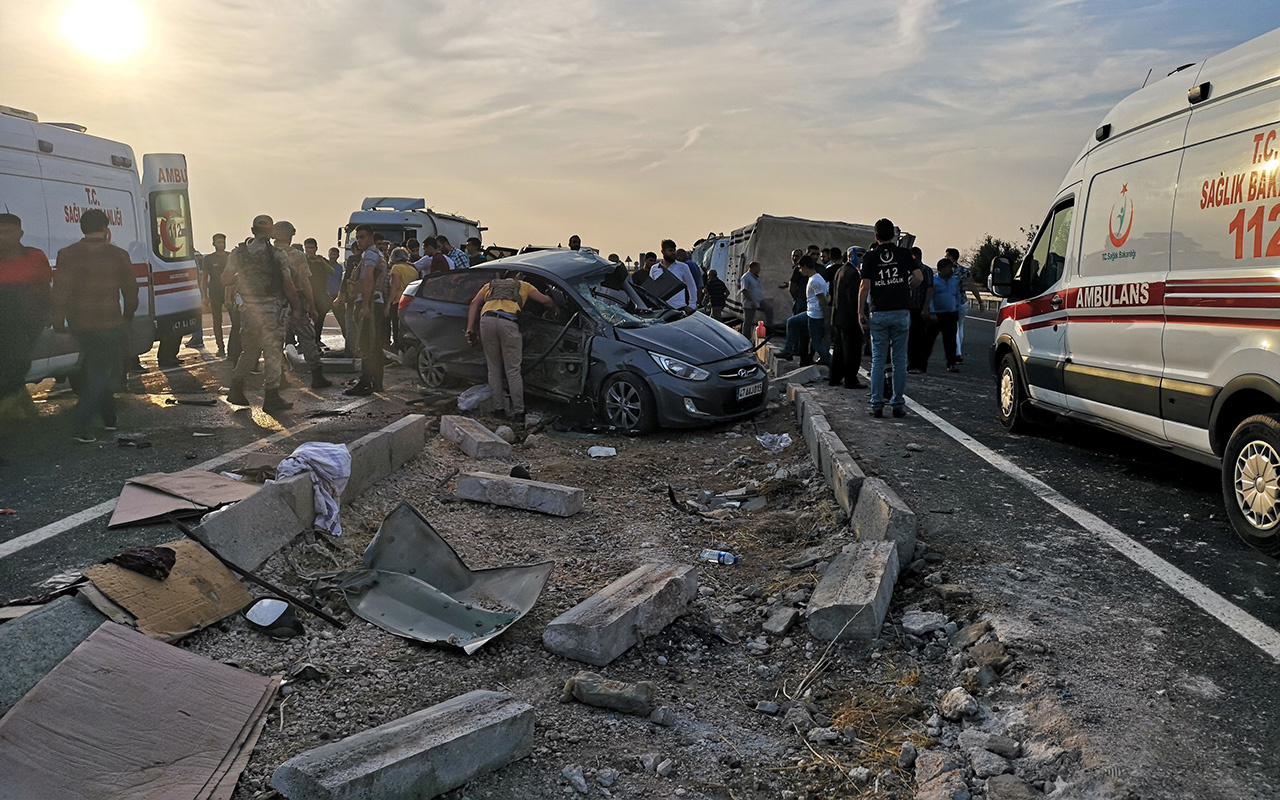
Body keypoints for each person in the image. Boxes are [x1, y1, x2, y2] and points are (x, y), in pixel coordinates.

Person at [51, 208, 139, 441]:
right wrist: (127, 317)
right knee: (102, 373)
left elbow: (60, 293)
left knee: (94, 369)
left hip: (79, 324)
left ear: (82, 228)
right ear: (106, 228)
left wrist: (59, 326)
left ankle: (110, 419)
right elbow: (131, 291)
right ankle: (81, 426)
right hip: (109, 323)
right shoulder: (118, 255)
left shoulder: (67, 254)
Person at [223, 214, 300, 413]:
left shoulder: (238, 254)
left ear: (252, 230)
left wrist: (245, 275)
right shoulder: (277, 254)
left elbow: (225, 279)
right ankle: (272, 397)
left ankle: (236, 387)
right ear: (271, 232)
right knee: (273, 352)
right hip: (271, 309)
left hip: (248, 310)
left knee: (249, 351)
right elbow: (288, 284)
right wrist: (297, 307)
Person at [465, 270, 556, 425]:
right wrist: (555, 306)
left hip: (487, 320)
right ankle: (519, 412)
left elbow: (474, 303)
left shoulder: (490, 285)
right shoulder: (524, 285)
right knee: (512, 370)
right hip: (509, 322)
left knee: (493, 368)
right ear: (518, 276)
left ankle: (499, 410)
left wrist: (470, 329)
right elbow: (544, 300)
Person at [859, 218, 923, 418]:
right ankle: (897, 403)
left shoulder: (870, 257)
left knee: (878, 359)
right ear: (894, 236)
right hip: (901, 311)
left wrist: (860, 312)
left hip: (878, 312)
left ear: (876, 236)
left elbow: (864, 286)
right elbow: (919, 277)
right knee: (899, 360)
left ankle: (877, 403)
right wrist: (907, 288)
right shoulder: (904, 254)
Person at [0, 213, 51, 418]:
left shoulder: (35, 257)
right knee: (10, 366)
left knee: (17, 365)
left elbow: (45, 288)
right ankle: (27, 410)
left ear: (20, 233)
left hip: (28, 323)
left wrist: (48, 316)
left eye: (7, 232)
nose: (2, 236)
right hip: (4, 324)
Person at [273, 222, 330, 388]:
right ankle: (317, 376)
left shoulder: (268, 253)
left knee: (275, 341)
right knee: (307, 338)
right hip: (295, 301)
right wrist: (312, 306)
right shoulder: (297, 255)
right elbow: (305, 282)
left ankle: (280, 377)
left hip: (273, 303)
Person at [344, 224, 389, 396]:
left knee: (366, 344)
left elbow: (369, 280)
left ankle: (366, 382)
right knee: (374, 345)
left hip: (369, 303)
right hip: (374, 302)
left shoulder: (370, 255)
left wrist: (364, 306)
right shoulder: (375, 254)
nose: (359, 240)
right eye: (358, 237)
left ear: (370, 237)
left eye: (362, 237)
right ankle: (376, 382)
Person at [778, 256, 830, 366]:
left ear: (806, 267)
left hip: (815, 315)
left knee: (816, 344)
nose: (800, 271)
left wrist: (826, 319)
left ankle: (833, 364)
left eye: (801, 268)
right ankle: (788, 351)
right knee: (792, 322)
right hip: (810, 312)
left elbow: (823, 300)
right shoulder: (813, 278)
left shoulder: (816, 280)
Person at [828, 248, 864, 389]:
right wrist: (860, 315)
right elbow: (854, 298)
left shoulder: (840, 271)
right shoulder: (853, 273)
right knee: (852, 350)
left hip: (839, 317)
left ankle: (835, 377)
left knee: (839, 350)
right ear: (851, 256)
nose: (861, 259)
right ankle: (851, 379)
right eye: (859, 255)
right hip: (850, 318)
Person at [926, 257, 962, 373]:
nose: (951, 270)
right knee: (929, 340)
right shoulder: (934, 281)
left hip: (951, 314)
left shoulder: (954, 281)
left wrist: (957, 309)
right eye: (948, 268)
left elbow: (957, 295)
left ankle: (951, 363)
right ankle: (922, 363)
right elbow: (930, 297)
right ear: (941, 269)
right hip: (936, 315)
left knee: (950, 341)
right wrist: (931, 311)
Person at [906, 246, 935, 374]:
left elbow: (929, 289)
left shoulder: (925, 270)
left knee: (920, 338)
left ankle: (920, 365)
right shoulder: (906, 270)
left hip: (919, 307)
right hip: (908, 308)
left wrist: (926, 308)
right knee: (909, 338)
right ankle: (912, 363)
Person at [200, 234, 230, 357]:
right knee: (217, 321)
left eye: (223, 242)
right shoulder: (209, 259)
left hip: (229, 291)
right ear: (214, 244)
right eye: (219, 242)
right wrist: (205, 296)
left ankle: (234, 347)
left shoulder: (230, 257)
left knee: (236, 320)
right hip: (215, 292)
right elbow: (204, 278)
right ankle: (220, 347)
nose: (221, 245)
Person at [651, 239, 697, 312]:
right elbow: (651, 289)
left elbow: (691, 286)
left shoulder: (683, 267)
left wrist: (692, 305)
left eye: (674, 250)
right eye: (670, 250)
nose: (673, 253)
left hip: (679, 308)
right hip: (660, 309)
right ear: (663, 252)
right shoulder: (655, 268)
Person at [387, 246, 418, 351]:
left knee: (397, 328)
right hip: (411, 303)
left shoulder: (396, 268)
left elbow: (395, 287)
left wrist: (388, 304)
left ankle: (398, 350)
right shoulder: (413, 269)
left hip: (398, 302)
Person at [948, 247, 971, 363]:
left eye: (947, 255)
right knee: (960, 327)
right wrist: (980, 301)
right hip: (963, 300)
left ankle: (957, 352)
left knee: (953, 328)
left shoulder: (948, 271)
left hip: (951, 301)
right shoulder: (965, 271)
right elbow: (971, 286)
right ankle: (959, 350)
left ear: (951, 256)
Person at [740, 260, 774, 330]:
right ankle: (746, 336)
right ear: (752, 268)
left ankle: (769, 327)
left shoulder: (755, 277)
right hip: (750, 303)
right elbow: (744, 290)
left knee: (769, 309)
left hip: (759, 300)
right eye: (758, 268)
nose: (759, 270)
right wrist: (751, 301)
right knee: (748, 321)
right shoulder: (746, 277)